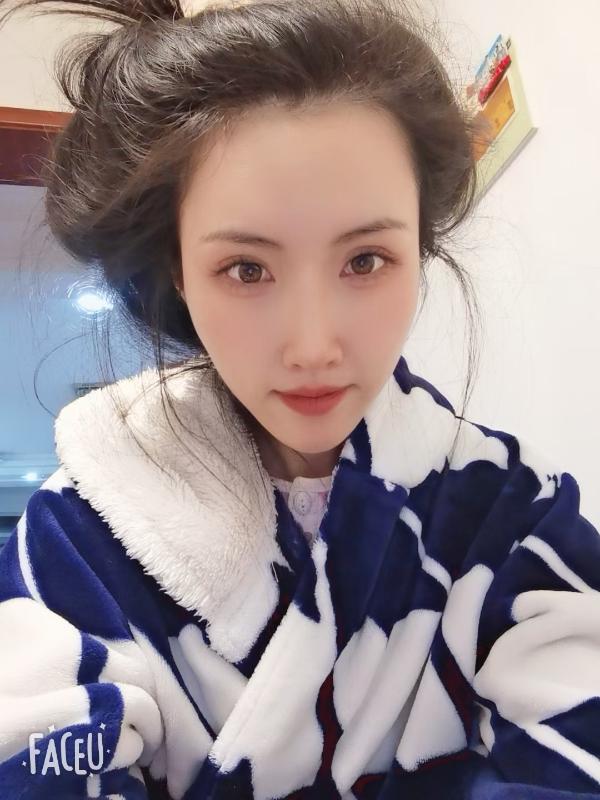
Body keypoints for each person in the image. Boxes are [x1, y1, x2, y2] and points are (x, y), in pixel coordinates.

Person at [0, 0, 599, 797]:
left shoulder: (514, 511)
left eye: (366, 260)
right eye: (246, 269)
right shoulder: (75, 537)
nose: (314, 345)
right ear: (179, 271)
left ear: (420, 249)